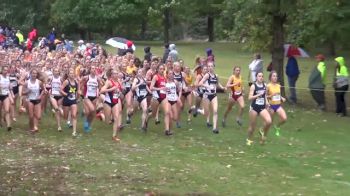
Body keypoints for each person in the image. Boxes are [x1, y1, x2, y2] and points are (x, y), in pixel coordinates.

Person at [199, 62, 225, 134]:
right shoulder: (207, 75)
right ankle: (198, 110)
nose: (210, 67)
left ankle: (214, 128)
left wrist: (223, 87)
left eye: (211, 66)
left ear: (214, 67)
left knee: (215, 111)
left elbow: (218, 83)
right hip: (206, 96)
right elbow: (200, 83)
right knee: (206, 113)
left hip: (214, 95)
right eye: (209, 66)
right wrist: (207, 86)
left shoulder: (216, 76)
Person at [246, 72, 272, 146]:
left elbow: (265, 96)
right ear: (256, 77)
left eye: (262, 76)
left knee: (269, 121)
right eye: (259, 76)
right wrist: (258, 95)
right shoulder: (253, 86)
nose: (261, 77)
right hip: (254, 108)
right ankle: (249, 139)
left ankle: (263, 134)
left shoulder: (265, 85)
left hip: (262, 107)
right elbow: (249, 98)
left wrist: (267, 103)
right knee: (252, 126)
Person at [100, 69, 123, 142]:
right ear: (111, 75)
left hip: (115, 102)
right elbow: (102, 91)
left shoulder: (118, 82)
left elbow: (120, 90)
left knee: (116, 118)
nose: (116, 75)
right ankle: (101, 114)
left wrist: (120, 91)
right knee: (107, 121)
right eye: (114, 73)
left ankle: (114, 136)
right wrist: (111, 89)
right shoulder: (109, 82)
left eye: (117, 73)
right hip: (108, 102)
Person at [22, 69, 45, 133]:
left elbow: (43, 90)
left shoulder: (39, 82)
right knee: (31, 116)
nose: (34, 74)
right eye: (33, 73)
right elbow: (22, 92)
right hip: (29, 100)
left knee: (38, 116)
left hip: (37, 100)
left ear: (37, 75)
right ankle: (32, 127)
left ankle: (35, 127)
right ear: (30, 74)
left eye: (35, 73)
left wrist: (40, 96)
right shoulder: (27, 82)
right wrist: (27, 91)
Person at [267, 71, 287, 136]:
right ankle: (263, 130)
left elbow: (278, 94)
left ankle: (277, 127)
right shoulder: (268, 86)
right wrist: (272, 95)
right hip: (271, 106)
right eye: (274, 76)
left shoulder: (278, 85)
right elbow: (265, 96)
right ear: (270, 77)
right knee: (269, 122)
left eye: (276, 76)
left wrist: (281, 98)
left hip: (278, 106)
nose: (275, 77)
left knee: (284, 119)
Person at [60, 68, 80, 137]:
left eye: (73, 73)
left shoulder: (76, 82)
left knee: (74, 115)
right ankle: (60, 110)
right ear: (68, 75)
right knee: (65, 117)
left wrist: (78, 96)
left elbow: (78, 91)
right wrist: (65, 94)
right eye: (70, 73)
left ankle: (74, 132)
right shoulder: (66, 82)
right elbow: (60, 89)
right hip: (66, 100)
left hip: (73, 100)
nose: (72, 74)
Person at [0, 66, 14, 131]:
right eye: (4, 70)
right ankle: (1, 121)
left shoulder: (8, 77)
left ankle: (8, 126)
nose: (6, 72)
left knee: (7, 110)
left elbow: (9, 87)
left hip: (6, 95)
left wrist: (12, 94)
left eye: (6, 70)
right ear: (2, 71)